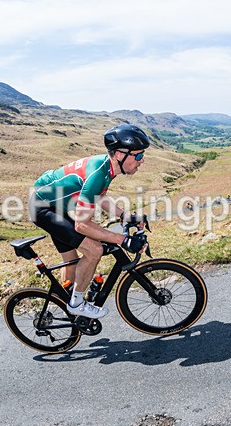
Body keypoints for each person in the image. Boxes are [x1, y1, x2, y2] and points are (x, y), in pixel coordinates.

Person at [27, 124, 149, 319]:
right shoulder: (99, 173)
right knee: (94, 250)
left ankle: (67, 308)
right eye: (139, 155)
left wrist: (124, 215)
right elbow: (82, 225)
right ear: (120, 154)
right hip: (43, 209)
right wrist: (123, 240)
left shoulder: (107, 167)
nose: (142, 161)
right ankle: (76, 303)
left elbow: (100, 197)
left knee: (71, 261)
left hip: (56, 205)